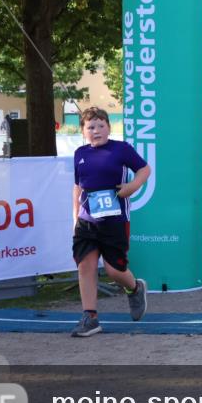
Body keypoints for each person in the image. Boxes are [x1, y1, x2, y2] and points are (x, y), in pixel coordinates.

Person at [71, 106, 151, 337]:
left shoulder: (121, 149)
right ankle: (90, 317)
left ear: (109, 127)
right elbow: (77, 187)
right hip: (87, 220)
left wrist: (131, 187)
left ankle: (135, 288)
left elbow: (145, 170)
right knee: (85, 265)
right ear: (83, 131)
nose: (96, 130)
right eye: (91, 127)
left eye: (101, 125)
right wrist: (75, 216)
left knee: (114, 270)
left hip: (115, 219)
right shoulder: (80, 153)